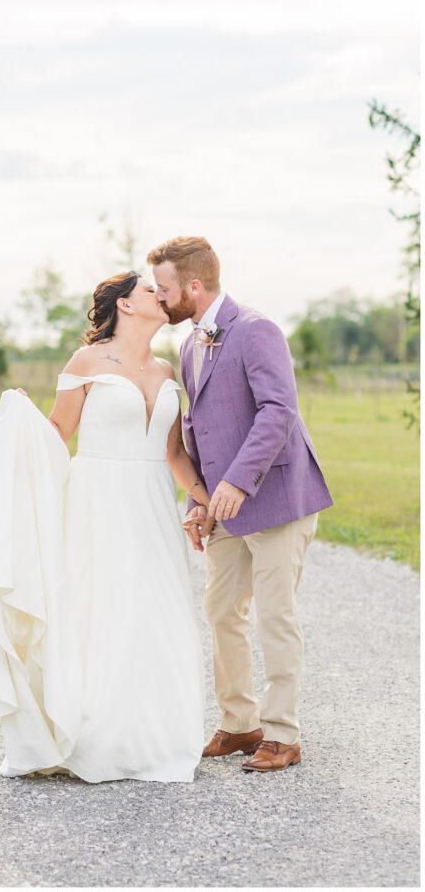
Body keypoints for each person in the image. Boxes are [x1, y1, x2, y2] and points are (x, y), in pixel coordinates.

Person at [0, 271, 209, 783]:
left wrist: (203, 498)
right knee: (99, 611)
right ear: (124, 305)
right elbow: (58, 431)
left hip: (151, 503)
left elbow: (173, 452)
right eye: (150, 291)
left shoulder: (168, 370)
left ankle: (153, 735)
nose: (161, 296)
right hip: (97, 498)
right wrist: (18, 423)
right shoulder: (87, 363)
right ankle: (93, 734)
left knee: (156, 610)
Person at [148, 236, 334, 773]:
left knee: (276, 616)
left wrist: (238, 481)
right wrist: (198, 501)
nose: (159, 298)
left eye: (164, 289)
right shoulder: (188, 345)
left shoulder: (256, 330)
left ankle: (282, 735)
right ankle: (238, 723)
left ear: (194, 286)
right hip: (224, 506)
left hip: (276, 496)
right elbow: (195, 428)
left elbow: (279, 411)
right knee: (222, 611)